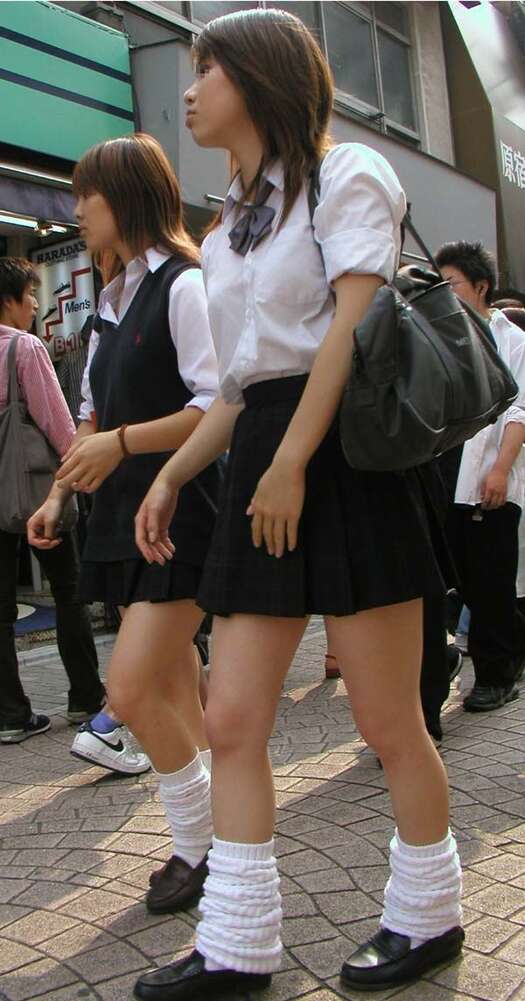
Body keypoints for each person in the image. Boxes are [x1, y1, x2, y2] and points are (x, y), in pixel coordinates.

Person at [132, 11, 464, 999]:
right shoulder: (227, 228)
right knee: (232, 717)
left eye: (208, 70)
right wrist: (171, 475)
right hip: (262, 454)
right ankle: (238, 943)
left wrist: (292, 462)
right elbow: (239, 388)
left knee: (388, 718)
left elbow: (349, 332)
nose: (190, 90)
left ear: (260, 77)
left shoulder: (346, 174)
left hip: (344, 459)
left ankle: (430, 914)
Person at [28, 134, 221, 913]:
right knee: (175, 688)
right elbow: (90, 419)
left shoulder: (184, 284)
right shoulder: (109, 302)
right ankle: (217, 840)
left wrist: (122, 443)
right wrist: (59, 495)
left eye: (88, 194)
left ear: (128, 197)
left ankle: (203, 845)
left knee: (131, 691)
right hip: (121, 515)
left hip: (182, 512)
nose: (76, 209)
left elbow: (217, 406)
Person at [0, 257, 105, 743]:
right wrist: (81, 473)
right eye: (28, 296)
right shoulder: (23, 347)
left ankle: (10, 715)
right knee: (69, 589)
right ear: (9, 300)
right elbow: (59, 424)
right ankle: (85, 696)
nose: (34, 306)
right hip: (36, 493)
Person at [436, 240, 525, 712]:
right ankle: (509, 646)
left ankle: (496, 676)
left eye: (451, 284)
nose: (445, 294)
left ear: (481, 286)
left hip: (489, 475)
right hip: (444, 474)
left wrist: (500, 469)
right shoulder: (438, 337)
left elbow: (519, 410)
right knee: (461, 580)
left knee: (490, 581)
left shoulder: (512, 341)